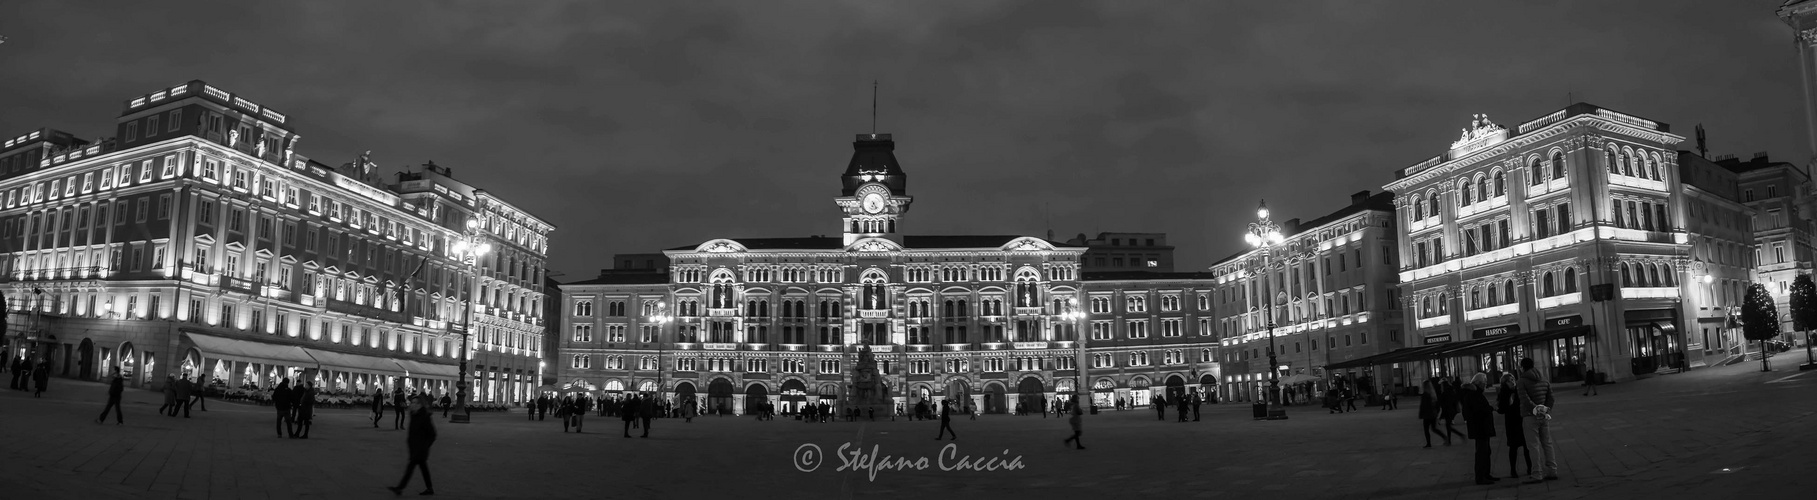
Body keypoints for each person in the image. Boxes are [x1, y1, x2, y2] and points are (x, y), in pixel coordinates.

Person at [1515, 358, 1559, 484]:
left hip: (1530, 416)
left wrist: (1536, 410)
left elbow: (1525, 400)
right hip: (1543, 416)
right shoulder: (1544, 379)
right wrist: (1544, 411)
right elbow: (1551, 397)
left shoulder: (1521, 381)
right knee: (1547, 443)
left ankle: (1537, 473)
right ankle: (1552, 470)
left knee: (1533, 446)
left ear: (1523, 367)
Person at [387, 395, 437, 496]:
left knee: (410, 469)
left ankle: (400, 488)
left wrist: (425, 446)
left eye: (415, 403)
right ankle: (429, 488)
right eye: (412, 402)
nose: (412, 405)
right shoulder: (414, 414)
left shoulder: (424, 416)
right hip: (414, 447)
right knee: (423, 468)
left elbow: (432, 434)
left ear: (420, 404)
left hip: (420, 449)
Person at [1460, 373, 1498, 485]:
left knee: (1486, 451)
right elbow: (1478, 410)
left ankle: (1486, 474)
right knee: (1482, 452)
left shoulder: (1474, 394)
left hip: (1481, 427)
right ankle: (1481, 477)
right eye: (1483, 383)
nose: (1485, 385)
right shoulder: (1473, 394)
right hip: (1480, 427)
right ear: (1478, 383)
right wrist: (1491, 408)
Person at [1497, 372, 1532, 480]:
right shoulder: (1503, 393)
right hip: (1511, 422)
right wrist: (1509, 403)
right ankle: (1513, 470)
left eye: (1513, 379)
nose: (1512, 382)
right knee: (1513, 447)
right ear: (1504, 383)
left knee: (1526, 446)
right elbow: (1501, 409)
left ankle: (1530, 468)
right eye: (1509, 380)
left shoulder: (1519, 390)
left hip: (1521, 419)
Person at [1438, 375, 1465, 442]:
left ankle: (1454, 438)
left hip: (1448, 411)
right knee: (1448, 426)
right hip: (1452, 410)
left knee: (1448, 426)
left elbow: (1444, 405)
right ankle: (1453, 438)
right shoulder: (1451, 390)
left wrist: (1441, 417)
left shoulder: (1445, 393)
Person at [1419, 377, 1444, 447]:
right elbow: (1436, 405)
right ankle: (1444, 437)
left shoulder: (1425, 394)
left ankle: (1428, 443)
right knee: (1434, 428)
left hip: (1427, 415)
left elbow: (1423, 406)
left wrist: (1421, 414)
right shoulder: (1433, 394)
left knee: (1426, 429)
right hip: (1433, 414)